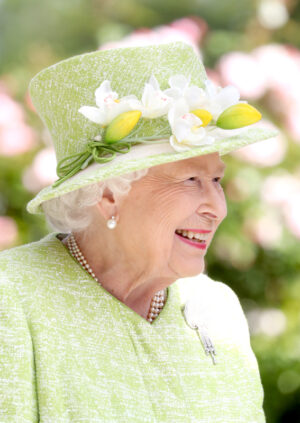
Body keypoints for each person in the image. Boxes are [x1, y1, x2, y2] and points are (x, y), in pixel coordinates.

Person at [0, 42, 276, 422]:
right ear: (110, 194)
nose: (218, 207)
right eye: (191, 179)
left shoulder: (217, 308)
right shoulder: (12, 298)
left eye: (216, 179)